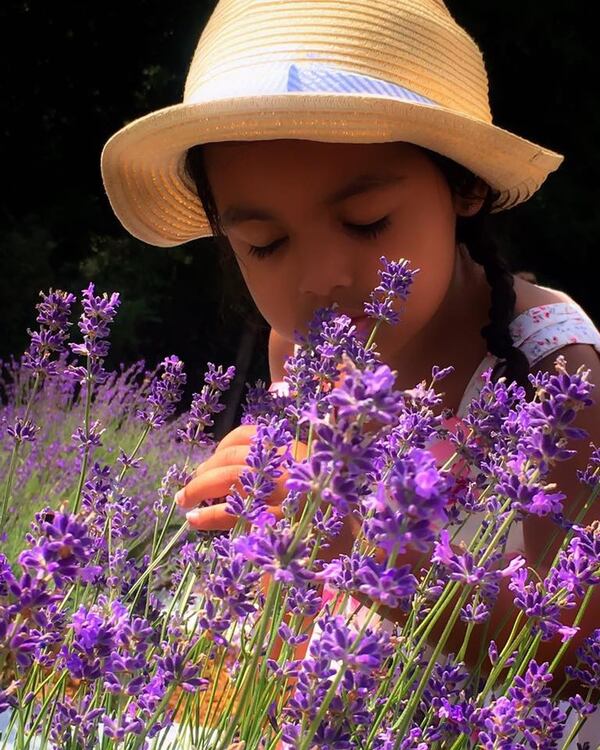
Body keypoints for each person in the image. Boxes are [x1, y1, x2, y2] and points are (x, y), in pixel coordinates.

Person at [101, 0, 600, 744]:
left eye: (366, 222)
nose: (320, 280)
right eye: (266, 243)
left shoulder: (556, 370)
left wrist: (363, 536)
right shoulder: (294, 350)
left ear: (465, 187)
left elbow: (577, 652)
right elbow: (285, 588)